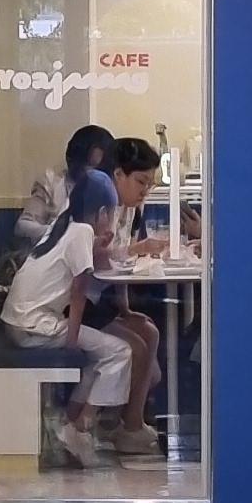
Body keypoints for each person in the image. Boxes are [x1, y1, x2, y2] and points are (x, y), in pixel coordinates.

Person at [0, 170, 133, 465]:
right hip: (34, 325)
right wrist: (72, 337)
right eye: (112, 214)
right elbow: (79, 289)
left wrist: (99, 245)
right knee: (119, 352)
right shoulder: (82, 232)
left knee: (98, 357)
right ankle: (79, 427)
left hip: (17, 321)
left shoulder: (64, 224)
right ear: (102, 213)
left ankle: (70, 425)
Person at [95, 137, 168, 459]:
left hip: (103, 300)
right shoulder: (98, 209)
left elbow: (120, 267)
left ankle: (131, 423)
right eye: (140, 182)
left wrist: (125, 310)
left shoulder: (131, 211)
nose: (145, 191)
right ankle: (122, 426)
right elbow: (96, 260)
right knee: (136, 346)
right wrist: (138, 249)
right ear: (118, 175)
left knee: (149, 330)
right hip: (78, 304)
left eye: (150, 184)